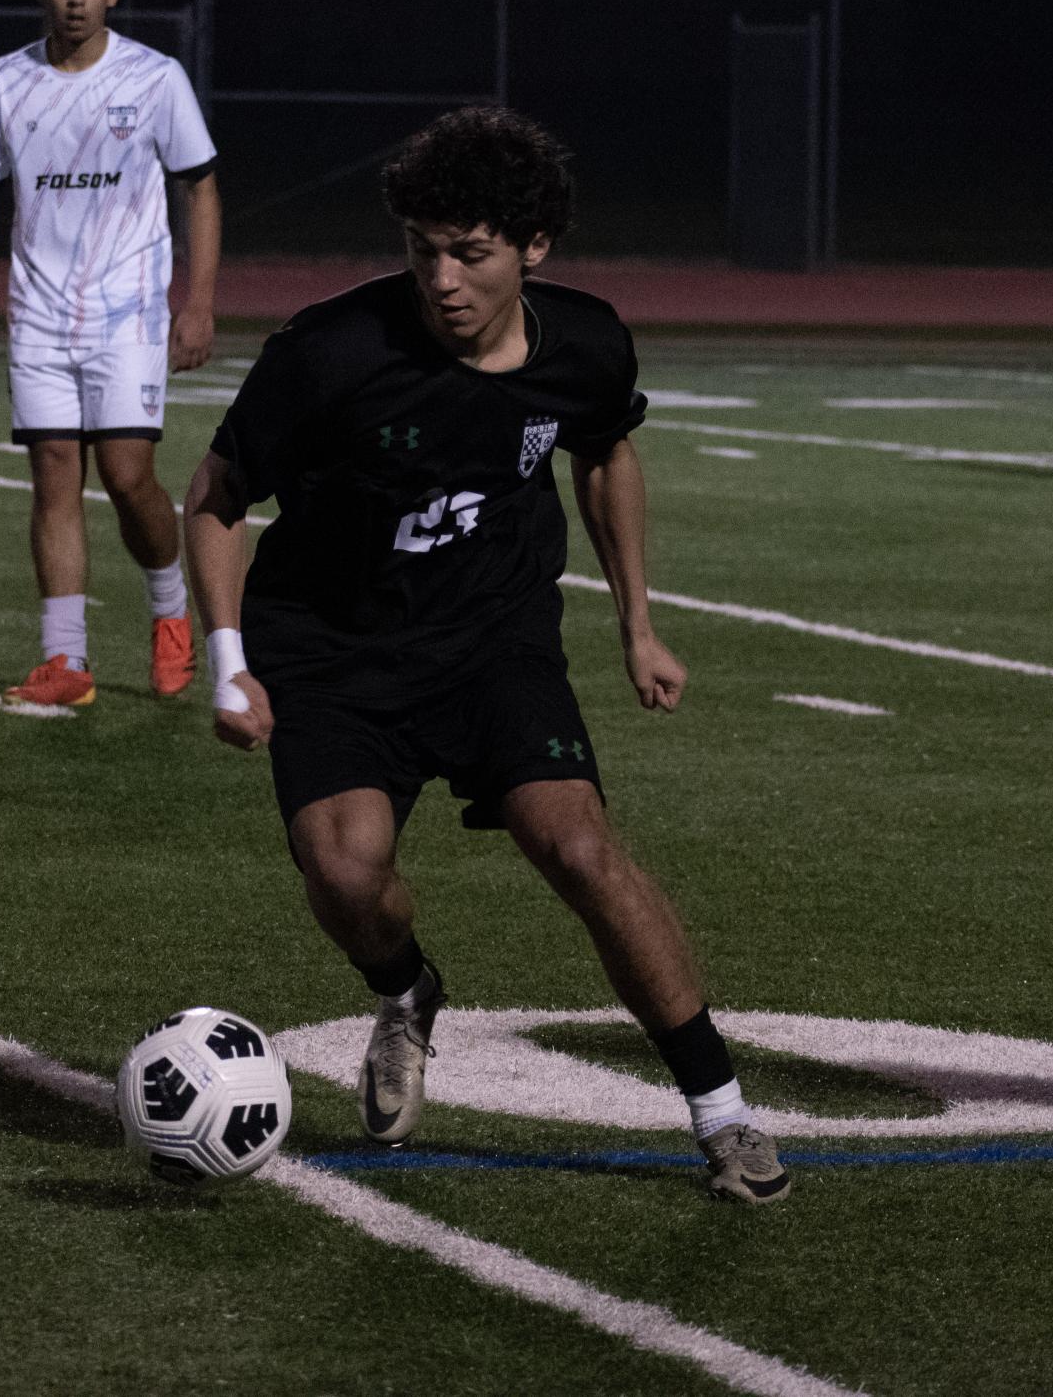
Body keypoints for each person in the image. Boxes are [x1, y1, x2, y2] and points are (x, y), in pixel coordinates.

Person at [181, 106, 790, 1205]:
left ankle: (724, 1114)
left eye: (472, 253)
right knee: (345, 868)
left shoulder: (589, 343)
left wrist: (636, 624)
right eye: (424, 251)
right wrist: (228, 656)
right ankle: (406, 993)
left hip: (492, 641)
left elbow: (605, 455)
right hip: (330, 647)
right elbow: (218, 492)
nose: (444, 279)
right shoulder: (330, 353)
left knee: (580, 849)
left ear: (533, 248)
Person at [0, 0, 221, 707]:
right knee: (54, 472)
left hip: (129, 309)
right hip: (37, 311)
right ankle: (64, 662)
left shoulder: (153, 78)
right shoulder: (7, 80)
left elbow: (199, 186)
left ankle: (170, 608)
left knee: (128, 473)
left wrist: (199, 302)